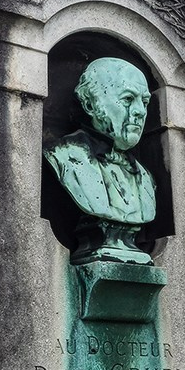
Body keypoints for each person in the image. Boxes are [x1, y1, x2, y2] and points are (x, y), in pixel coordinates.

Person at [44, 57, 156, 264]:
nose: (140, 110)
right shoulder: (63, 156)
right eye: (128, 99)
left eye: (145, 101)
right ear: (90, 104)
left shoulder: (145, 177)